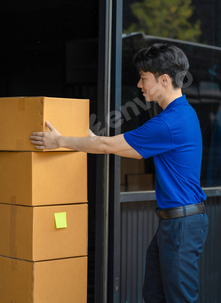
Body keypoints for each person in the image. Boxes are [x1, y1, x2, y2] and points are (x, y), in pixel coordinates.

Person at [30, 43, 208, 303]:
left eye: (144, 78)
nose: (139, 85)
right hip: (176, 222)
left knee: (178, 298)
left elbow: (108, 146)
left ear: (165, 79)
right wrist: (90, 140)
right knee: (155, 294)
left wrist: (60, 142)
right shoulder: (182, 115)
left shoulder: (168, 123)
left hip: (181, 224)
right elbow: (124, 149)